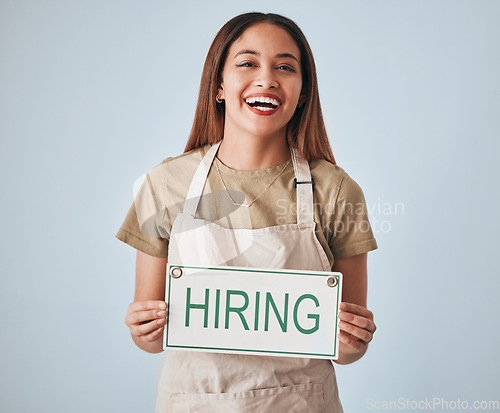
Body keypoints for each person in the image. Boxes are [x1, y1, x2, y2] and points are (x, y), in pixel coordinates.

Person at [117, 11, 378, 412]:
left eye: (285, 67)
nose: (267, 79)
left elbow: (344, 352)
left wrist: (352, 338)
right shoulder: (164, 185)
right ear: (219, 86)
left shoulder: (338, 191)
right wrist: (144, 329)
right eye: (247, 63)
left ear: (303, 91)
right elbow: (149, 342)